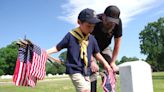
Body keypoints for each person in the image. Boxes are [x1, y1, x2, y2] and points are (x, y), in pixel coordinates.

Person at [46, 8, 112, 92]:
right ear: (79, 22)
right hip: (74, 70)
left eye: (93, 27)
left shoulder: (91, 38)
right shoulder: (71, 36)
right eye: (88, 26)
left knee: (86, 90)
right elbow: (57, 47)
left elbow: (97, 53)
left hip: (86, 71)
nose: (91, 29)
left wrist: (106, 64)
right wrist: (45, 52)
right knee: (85, 90)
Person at [90, 5, 122, 92]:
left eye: (113, 22)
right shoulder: (94, 21)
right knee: (92, 70)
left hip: (105, 47)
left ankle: (109, 90)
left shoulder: (117, 24)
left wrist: (113, 62)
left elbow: (117, 44)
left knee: (109, 69)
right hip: (90, 48)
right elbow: (87, 43)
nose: (111, 24)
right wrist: (92, 61)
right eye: (109, 21)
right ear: (103, 17)